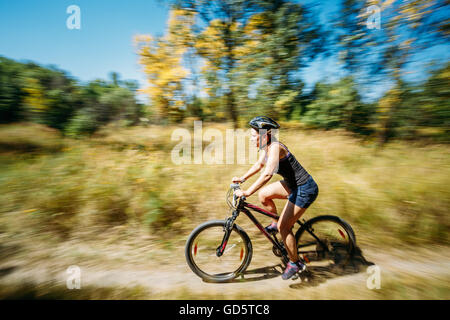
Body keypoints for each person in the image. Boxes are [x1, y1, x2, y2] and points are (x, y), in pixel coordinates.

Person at [232, 116, 319, 280]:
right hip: (292, 184)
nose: (251, 139)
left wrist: (246, 192)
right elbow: (259, 166)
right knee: (264, 195)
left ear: (264, 135)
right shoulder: (266, 147)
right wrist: (242, 179)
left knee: (284, 227)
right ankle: (276, 223)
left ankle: (295, 263)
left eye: (253, 135)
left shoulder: (275, 148)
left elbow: (267, 174)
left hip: (304, 188)